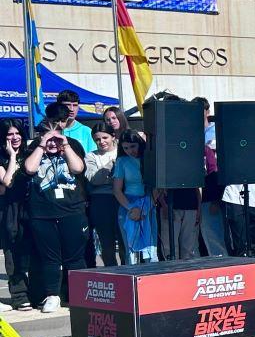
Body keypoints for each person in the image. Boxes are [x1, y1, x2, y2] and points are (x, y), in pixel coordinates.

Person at [24, 125, 87, 311]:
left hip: (72, 211)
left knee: (75, 257)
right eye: (48, 138)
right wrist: (42, 145)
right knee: (50, 258)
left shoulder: (69, 149)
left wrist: (65, 145)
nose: (52, 142)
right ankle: (52, 295)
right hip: (43, 214)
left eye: (55, 138)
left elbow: (78, 168)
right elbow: (29, 168)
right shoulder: (36, 151)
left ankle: (78, 293)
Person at [0, 121, 35, 310]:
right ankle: (19, 295)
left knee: (35, 252)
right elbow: (8, 182)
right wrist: (12, 156)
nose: (14, 138)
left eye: (17, 133)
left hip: (31, 208)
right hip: (9, 210)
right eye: (9, 134)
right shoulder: (2, 157)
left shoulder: (30, 153)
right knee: (13, 253)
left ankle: (37, 292)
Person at [223, 124, 255, 258]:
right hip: (234, 196)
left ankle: (254, 271)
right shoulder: (232, 147)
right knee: (238, 242)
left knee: (254, 242)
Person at [112, 131, 158, 264]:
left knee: (151, 249)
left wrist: (145, 209)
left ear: (139, 144)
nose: (129, 151)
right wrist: (132, 209)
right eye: (125, 148)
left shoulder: (150, 158)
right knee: (131, 251)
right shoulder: (122, 161)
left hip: (148, 203)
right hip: (128, 205)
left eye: (132, 146)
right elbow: (117, 190)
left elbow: (158, 187)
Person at [85, 126, 122, 267]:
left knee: (125, 243)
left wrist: (106, 178)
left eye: (105, 137)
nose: (101, 142)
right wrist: (112, 163)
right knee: (107, 243)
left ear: (113, 136)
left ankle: (129, 272)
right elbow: (94, 180)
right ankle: (112, 274)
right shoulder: (91, 156)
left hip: (122, 199)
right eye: (97, 139)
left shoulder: (123, 150)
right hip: (100, 201)